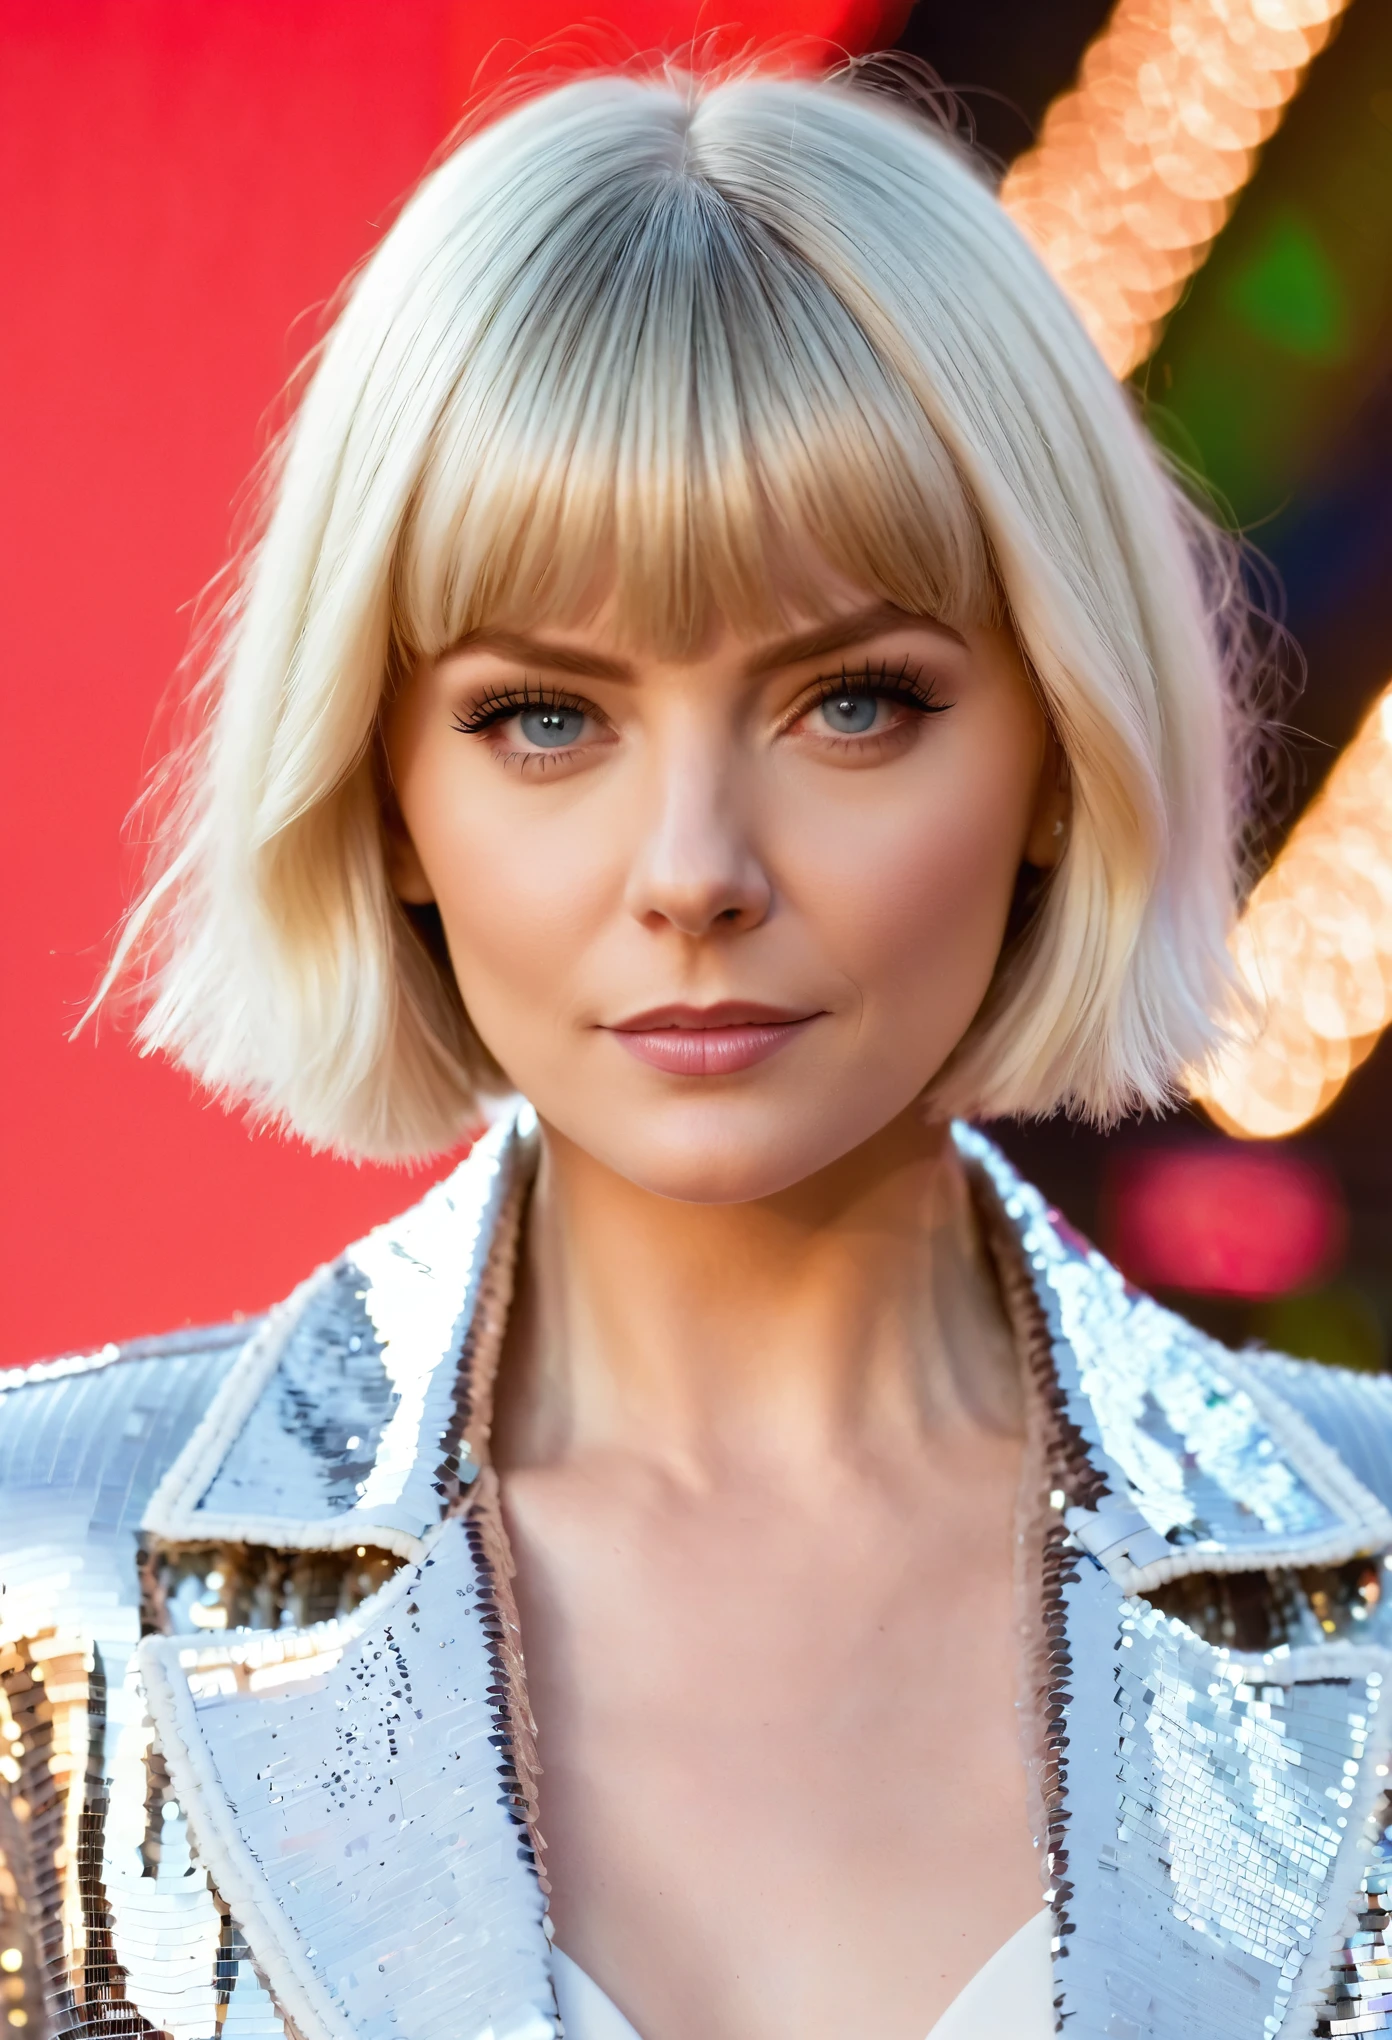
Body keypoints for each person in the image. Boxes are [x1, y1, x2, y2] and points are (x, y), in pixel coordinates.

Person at [4, 58, 1392, 2040]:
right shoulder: (43, 1582)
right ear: (385, 787)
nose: (695, 873)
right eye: (547, 719)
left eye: (850, 704)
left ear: (1061, 759)